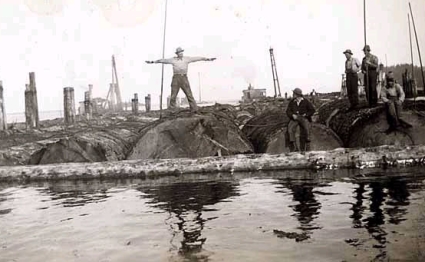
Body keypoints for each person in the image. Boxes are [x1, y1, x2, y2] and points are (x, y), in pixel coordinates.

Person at [146, 47, 216, 112]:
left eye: (182, 52)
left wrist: (207, 59)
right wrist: (153, 61)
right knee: (173, 95)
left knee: (189, 94)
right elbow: (163, 60)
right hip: (176, 78)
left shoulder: (187, 59)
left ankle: (194, 109)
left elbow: (197, 58)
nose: (181, 53)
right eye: (179, 52)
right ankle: (172, 110)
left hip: (184, 78)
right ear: (177, 54)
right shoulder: (173, 60)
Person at [286, 88, 316, 152]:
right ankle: (294, 145)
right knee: (290, 128)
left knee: (306, 127)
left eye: (294, 94)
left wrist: (306, 114)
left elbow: (312, 110)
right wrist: (292, 115)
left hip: (303, 117)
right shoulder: (292, 102)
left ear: (297, 95)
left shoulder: (305, 101)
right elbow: (288, 111)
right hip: (295, 118)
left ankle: (307, 142)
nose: (293, 95)